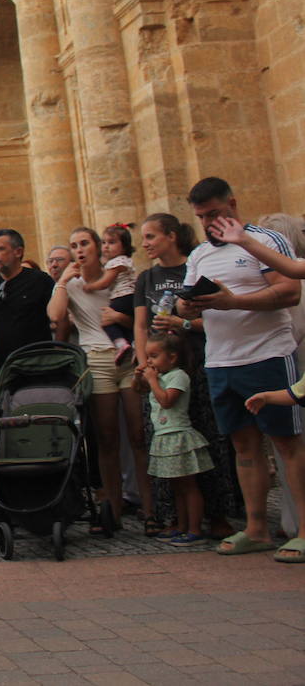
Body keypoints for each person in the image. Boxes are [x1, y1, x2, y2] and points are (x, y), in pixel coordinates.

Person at [179, 178, 305, 560]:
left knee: (288, 444)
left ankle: (302, 529)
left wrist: (233, 303)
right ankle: (256, 528)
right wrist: (187, 308)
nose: (209, 223)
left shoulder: (264, 241)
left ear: (232, 204)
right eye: (201, 217)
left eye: (215, 213)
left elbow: (289, 291)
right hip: (221, 359)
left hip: (267, 354)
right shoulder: (199, 254)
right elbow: (187, 303)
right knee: (243, 445)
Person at [133, 213, 240, 540]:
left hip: (198, 365)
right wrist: (144, 363)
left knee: (208, 441)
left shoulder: (193, 269)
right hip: (160, 371)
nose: (145, 243)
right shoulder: (146, 279)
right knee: (166, 444)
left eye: (151, 236)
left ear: (171, 236)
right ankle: (175, 516)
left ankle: (218, 514)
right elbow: (140, 324)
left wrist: (183, 325)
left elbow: (221, 317)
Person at [50, 226, 151, 533]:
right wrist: (64, 281)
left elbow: (138, 316)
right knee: (106, 437)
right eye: (74, 245)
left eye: (85, 244)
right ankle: (114, 511)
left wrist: (120, 319)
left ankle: (150, 509)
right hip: (96, 359)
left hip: (128, 357)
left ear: (98, 247)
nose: (80, 250)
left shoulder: (119, 275)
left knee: (137, 434)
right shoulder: (73, 284)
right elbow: (55, 317)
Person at [138, 334, 214, 546]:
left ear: (172, 357)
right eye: (147, 356)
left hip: (178, 435)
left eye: (154, 356)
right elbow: (139, 390)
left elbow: (167, 401)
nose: (150, 361)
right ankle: (181, 525)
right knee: (177, 487)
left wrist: (152, 380)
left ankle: (195, 529)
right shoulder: (160, 377)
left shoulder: (178, 376)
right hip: (164, 436)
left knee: (189, 486)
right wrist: (140, 378)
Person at [0, 229, 53, 388]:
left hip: (38, 366)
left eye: (0, 249)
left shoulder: (40, 281)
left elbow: (58, 321)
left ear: (18, 252)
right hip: (1, 371)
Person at [75, 225, 137, 364]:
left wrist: (90, 287)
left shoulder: (117, 262)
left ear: (125, 246)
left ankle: (121, 344)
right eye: (104, 242)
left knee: (107, 320)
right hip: (132, 297)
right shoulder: (125, 261)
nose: (106, 246)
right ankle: (134, 345)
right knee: (126, 324)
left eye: (112, 242)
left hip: (122, 297)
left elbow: (105, 282)